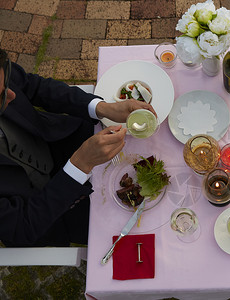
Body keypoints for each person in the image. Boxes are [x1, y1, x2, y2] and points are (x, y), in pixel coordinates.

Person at [0, 49, 156, 246]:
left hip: (58, 138)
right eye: (1, 96)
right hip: (50, 210)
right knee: (139, 221)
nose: (12, 95)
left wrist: (102, 108)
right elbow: (20, 228)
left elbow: (34, 87)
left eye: (6, 85)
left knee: (146, 151)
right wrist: (80, 165)